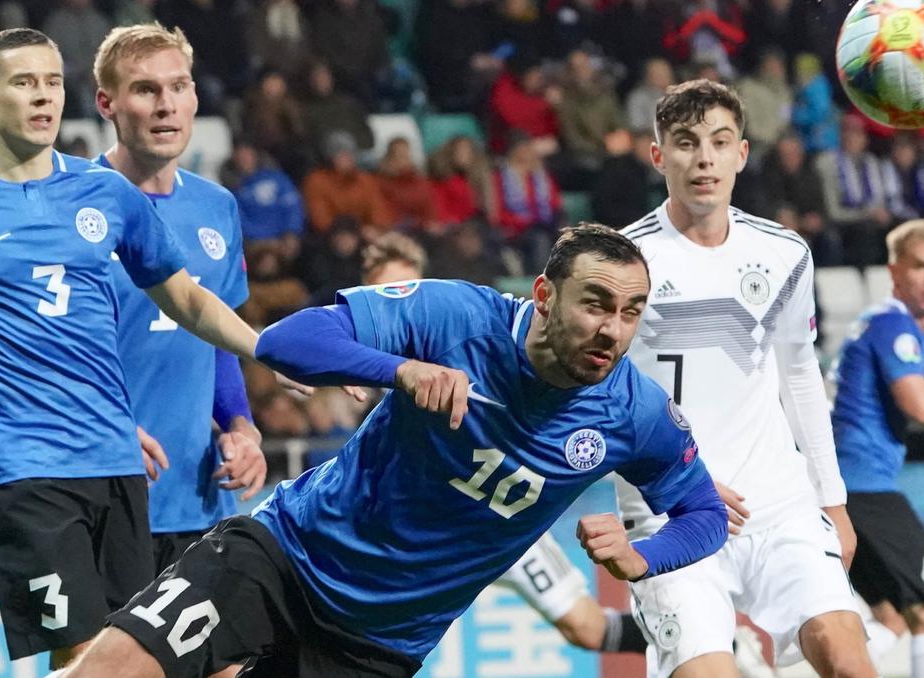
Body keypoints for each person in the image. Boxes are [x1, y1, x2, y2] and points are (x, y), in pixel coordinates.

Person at [59, 223, 728, 677]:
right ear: (545, 296)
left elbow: (704, 511)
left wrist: (643, 558)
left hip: (377, 646)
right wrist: (398, 370)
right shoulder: (458, 317)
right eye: (596, 305)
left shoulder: (634, 413)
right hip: (286, 556)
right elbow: (284, 341)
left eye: (630, 312)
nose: (612, 330)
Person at [0, 28, 268, 670]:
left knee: (143, 661)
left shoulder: (110, 198)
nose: (42, 97)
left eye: (50, 83)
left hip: (136, 471)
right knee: (86, 657)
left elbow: (191, 305)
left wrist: (268, 366)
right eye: (23, 83)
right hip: (24, 466)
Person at [616, 79, 875, 678]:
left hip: (778, 503)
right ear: (659, 156)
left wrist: (831, 498)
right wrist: (676, 482)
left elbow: (800, 374)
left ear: (742, 154)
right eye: (685, 143)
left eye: (719, 141)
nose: (703, 158)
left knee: (848, 657)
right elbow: (596, 396)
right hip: (670, 515)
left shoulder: (783, 253)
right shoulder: (623, 262)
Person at [361, 230, 648, 655]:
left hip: (497, 509)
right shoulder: (364, 341)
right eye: (381, 288)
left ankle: (715, 642)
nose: (392, 297)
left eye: (402, 284)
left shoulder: (448, 334)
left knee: (588, 629)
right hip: (420, 525)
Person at [92, 23, 267, 578]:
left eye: (179, 87)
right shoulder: (71, 205)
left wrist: (241, 426)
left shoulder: (217, 207)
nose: (166, 106)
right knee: (94, 664)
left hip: (199, 493)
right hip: (99, 486)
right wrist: (102, 426)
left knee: (220, 665)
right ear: (107, 103)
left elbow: (217, 341)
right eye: (146, 90)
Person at [831, 219, 924, 678]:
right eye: (921, 267)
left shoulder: (876, 323)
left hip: (842, 492)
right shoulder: (895, 325)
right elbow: (920, 405)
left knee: (891, 616)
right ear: (895, 272)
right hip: (867, 490)